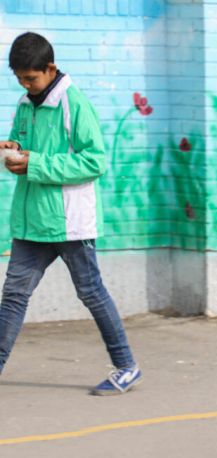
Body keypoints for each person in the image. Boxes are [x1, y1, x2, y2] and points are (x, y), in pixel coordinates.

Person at [0, 32, 141, 394]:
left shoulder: (74, 104)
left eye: (30, 78)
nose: (25, 85)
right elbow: (25, 145)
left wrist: (35, 163)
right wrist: (13, 148)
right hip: (32, 221)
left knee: (91, 292)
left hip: (70, 222)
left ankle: (127, 366)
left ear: (50, 68)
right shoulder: (25, 104)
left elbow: (94, 162)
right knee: (13, 295)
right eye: (19, 79)